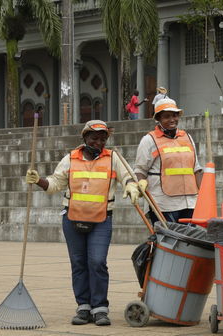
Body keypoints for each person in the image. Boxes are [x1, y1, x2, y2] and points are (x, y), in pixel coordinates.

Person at [25, 120, 140, 327]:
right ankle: (83, 307)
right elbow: (55, 184)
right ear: (85, 138)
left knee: (97, 262)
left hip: (101, 219)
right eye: (94, 138)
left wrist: (132, 186)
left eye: (102, 139)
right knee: (79, 264)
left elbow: (128, 178)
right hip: (72, 219)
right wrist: (39, 180)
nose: (98, 142)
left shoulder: (114, 158)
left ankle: (100, 308)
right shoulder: (70, 159)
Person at [134, 98, 203, 224]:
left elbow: (196, 169)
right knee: (167, 242)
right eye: (167, 116)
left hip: (190, 201)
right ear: (158, 119)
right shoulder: (149, 140)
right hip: (163, 203)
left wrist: (204, 196)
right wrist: (140, 183)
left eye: (175, 115)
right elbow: (140, 170)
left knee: (188, 241)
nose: (172, 119)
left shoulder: (187, 137)